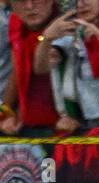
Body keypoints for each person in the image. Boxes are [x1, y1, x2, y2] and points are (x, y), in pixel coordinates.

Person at [32, 0, 99, 135]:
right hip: (87, 126)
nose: (81, 4)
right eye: (75, 1)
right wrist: (46, 37)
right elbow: (41, 67)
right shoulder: (72, 31)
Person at [1, 0, 60, 134]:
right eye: (20, 1)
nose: (29, 6)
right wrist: (5, 113)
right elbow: (16, 71)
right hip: (25, 125)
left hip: (64, 127)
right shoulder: (15, 22)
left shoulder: (66, 26)